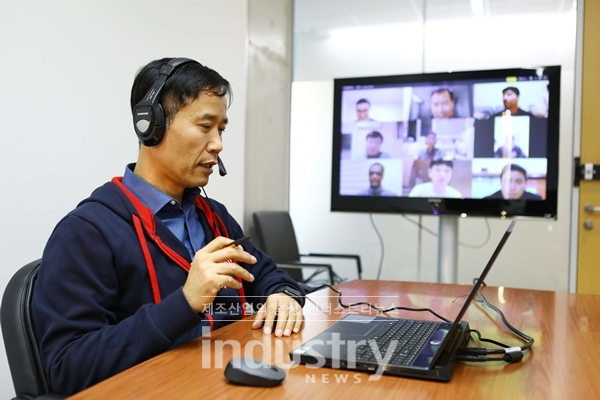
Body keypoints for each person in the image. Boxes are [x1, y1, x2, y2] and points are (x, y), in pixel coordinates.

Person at [31, 57, 305, 396]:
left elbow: (265, 273)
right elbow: (67, 368)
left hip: (219, 384)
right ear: (150, 125)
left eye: (222, 129)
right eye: (206, 126)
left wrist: (282, 295)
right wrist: (186, 301)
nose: (218, 144)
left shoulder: (213, 216)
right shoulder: (87, 231)